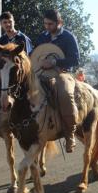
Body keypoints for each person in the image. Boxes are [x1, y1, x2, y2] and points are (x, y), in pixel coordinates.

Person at [35, 9, 80, 153]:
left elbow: (75, 60)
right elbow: (34, 54)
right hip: (41, 73)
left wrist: (55, 62)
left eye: (50, 24)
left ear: (59, 23)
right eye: (45, 24)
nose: (47, 27)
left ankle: (70, 134)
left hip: (63, 73)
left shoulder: (68, 37)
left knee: (65, 94)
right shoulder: (42, 37)